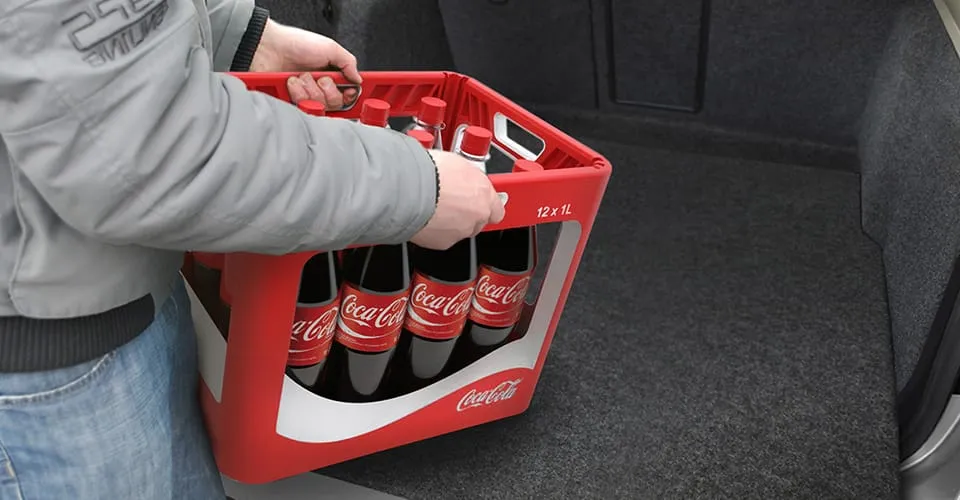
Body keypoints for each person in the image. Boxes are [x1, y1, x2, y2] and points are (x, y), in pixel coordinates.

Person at [0, 0, 504, 498]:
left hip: (124, 299)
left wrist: (242, 38)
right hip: (49, 377)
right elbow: (153, 156)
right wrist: (414, 187)